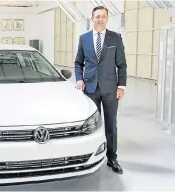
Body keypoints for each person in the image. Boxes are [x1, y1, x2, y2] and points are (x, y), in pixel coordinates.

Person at [74, 6, 127, 174]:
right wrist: (79, 79)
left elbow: (122, 65)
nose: (100, 19)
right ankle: (89, 157)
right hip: (90, 88)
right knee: (90, 126)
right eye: (97, 16)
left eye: (103, 16)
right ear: (92, 18)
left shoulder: (116, 38)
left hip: (111, 89)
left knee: (111, 124)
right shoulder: (84, 38)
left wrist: (121, 86)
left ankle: (112, 158)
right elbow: (78, 63)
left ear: (107, 19)